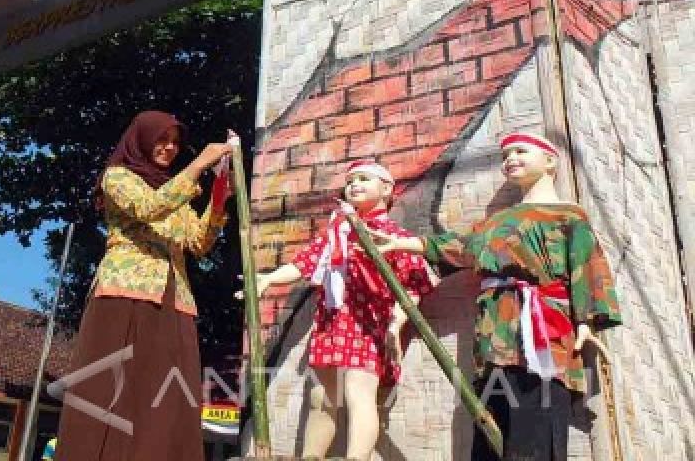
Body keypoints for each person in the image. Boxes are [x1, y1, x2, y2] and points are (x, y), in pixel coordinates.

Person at [373, 132, 622, 460]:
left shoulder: (569, 215)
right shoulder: (495, 224)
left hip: (547, 332)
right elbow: (461, 247)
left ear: (550, 162)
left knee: (538, 419)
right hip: (495, 337)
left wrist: (586, 322)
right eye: (505, 155)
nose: (511, 159)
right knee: (491, 425)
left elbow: (587, 265)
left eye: (521, 151)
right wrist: (403, 243)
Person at [54, 111, 233, 461]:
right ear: (142, 139)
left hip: (175, 298)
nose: (169, 148)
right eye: (162, 140)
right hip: (125, 293)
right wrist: (198, 164)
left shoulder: (177, 193)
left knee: (167, 396)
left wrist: (219, 195)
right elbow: (148, 207)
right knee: (110, 390)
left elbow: (199, 242)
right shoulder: (117, 177)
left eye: (176, 143)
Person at [241, 160, 435, 461]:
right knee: (322, 397)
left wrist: (395, 326)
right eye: (351, 180)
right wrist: (267, 280)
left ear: (386, 189)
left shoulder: (393, 237)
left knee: (359, 394)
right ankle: (312, 456)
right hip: (332, 322)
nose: (354, 185)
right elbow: (303, 264)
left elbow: (414, 286)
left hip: (369, 323)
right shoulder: (336, 233)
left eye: (363, 179)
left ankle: (358, 457)